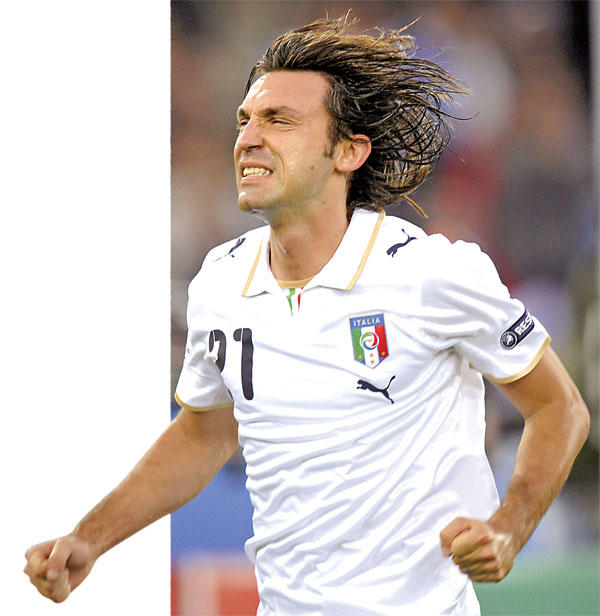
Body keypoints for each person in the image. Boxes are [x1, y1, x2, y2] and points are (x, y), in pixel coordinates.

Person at [24, 16, 589, 615]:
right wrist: (90, 537)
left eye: (279, 120)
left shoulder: (432, 273)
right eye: (245, 120)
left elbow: (560, 408)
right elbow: (204, 432)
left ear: (348, 151)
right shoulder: (220, 283)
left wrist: (508, 526)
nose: (249, 137)